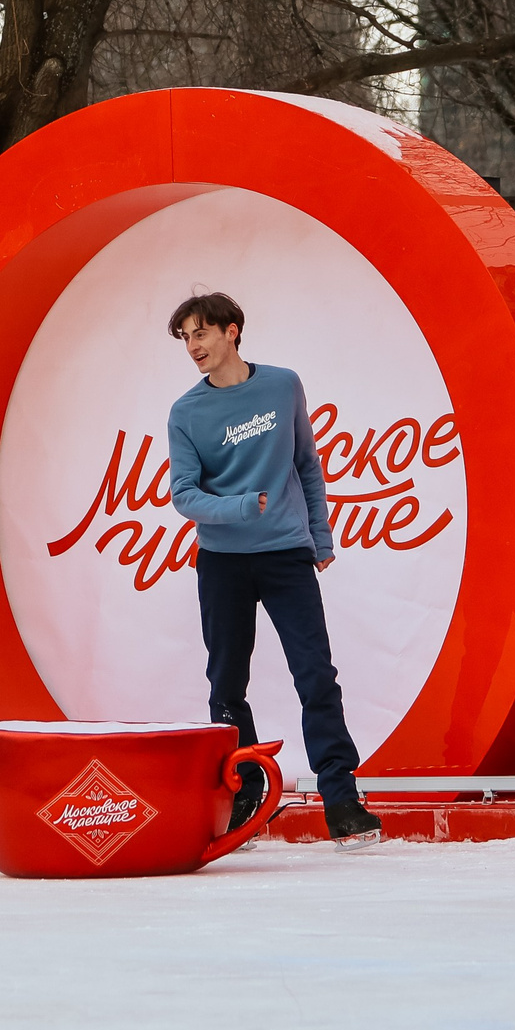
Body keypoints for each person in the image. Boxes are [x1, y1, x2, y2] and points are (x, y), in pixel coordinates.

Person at [165, 292, 382, 850]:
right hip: (222, 564)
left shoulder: (283, 386)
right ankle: (246, 793)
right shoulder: (187, 413)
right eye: (186, 337)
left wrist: (319, 537)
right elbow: (183, 495)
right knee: (226, 686)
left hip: (286, 555)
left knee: (316, 675)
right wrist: (240, 507)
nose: (193, 346)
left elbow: (306, 464)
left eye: (201, 333)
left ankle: (341, 799)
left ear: (232, 331)